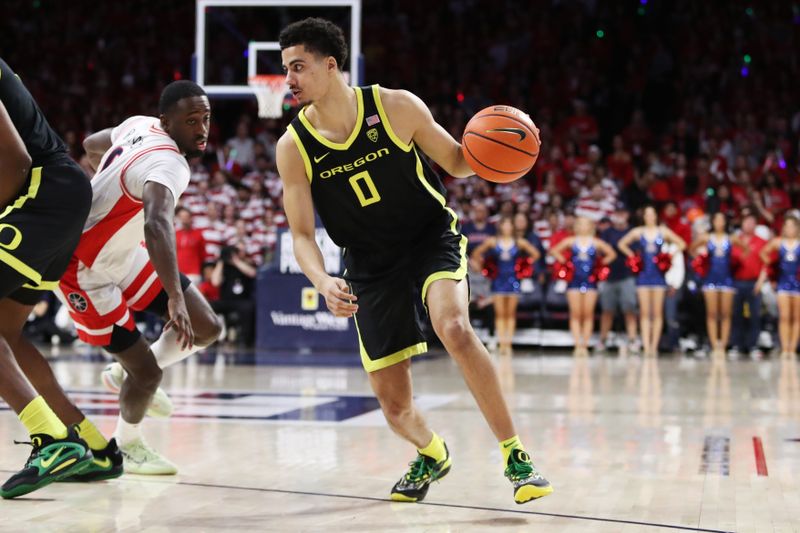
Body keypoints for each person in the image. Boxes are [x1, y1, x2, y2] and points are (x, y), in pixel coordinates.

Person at [275, 18, 552, 504]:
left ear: (331, 65)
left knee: (455, 327)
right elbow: (301, 234)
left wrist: (506, 146)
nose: (289, 79)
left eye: (298, 67)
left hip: (428, 238)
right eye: (286, 70)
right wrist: (321, 279)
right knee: (395, 407)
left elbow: (459, 162)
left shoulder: (396, 106)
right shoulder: (293, 147)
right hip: (368, 262)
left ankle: (516, 456)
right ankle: (431, 452)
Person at [55, 80, 222, 474]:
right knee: (147, 373)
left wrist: (110, 182)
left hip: (122, 253)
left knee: (207, 327)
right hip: (83, 267)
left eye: (206, 119)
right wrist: (174, 298)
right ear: (167, 122)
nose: (200, 129)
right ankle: (126, 444)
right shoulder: (169, 163)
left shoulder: (139, 124)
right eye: (190, 121)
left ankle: (118, 373)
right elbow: (157, 223)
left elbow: (93, 144)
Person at [0, 57, 97, 499]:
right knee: (9, 335)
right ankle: (89, 444)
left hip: (38, 192)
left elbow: (15, 161)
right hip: (55, 195)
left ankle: (51, 440)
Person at [618, 205, 687, 356]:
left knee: (657, 313)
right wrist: (632, 256)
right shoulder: (638, 231)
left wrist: (670, 255)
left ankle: (653, 347)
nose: (649, 217)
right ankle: (646, 345)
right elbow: (621, 244)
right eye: (647, 214)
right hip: (643, 276)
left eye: (652, 214)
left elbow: (682, 243)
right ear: (643, 217)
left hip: (658, 277)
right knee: (644, 313)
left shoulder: (663, 231)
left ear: (656, 216)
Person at [471, 216, 541, 354]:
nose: (507, 228)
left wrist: (524, 266)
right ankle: (501, 342)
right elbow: (476, 253)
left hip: (514, 280)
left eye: (510, 225)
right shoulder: (493, 241)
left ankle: (508, 343)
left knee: (510, 314)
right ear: (501, 227)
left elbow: (536, 254)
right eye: (505, 225)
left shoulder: (519, 241)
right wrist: (481, 266)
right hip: (498, 280)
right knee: (500, 314)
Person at [548, 217, 616, 355]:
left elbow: (612, 254)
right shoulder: (571, 241)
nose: (583, 227)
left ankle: (584, 344)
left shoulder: (595, 242)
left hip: (590, 281)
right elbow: (554, 250)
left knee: (588, 314)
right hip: (574, 280)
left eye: (586, 224)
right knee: (575, 314)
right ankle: (577, 344)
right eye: (580, 224)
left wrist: (601, 264)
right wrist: (564, 261)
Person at [689, 212, 749, 357]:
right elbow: (691, 249)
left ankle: (723, 344)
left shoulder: (731, 238)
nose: (719, 223)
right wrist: (700, 261)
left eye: (722, 220)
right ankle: (714, 343)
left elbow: (745, 249)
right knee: (712, 313)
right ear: (712, 222)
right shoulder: (706, 238)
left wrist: (736, 262)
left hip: (727, 279)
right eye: (716, 220)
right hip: (710, 278)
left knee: (726, 314)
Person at [756, 216, 800, 357]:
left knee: (796, 318)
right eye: (787, 226)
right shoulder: (778, 242)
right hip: (783, 283)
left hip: (798, 283)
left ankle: (792, 348)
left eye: (792, 226)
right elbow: (763, 253)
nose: (789, 229)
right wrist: (772, 265)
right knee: (784, 316)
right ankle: (785, 347)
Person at [598, 207, 639, 353]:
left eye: (622, 213)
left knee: (630, 310)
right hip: (609, 276)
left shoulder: (632, 232)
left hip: (627, 276)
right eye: (617, 214)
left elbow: (634, 252)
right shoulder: (607, 232)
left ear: (627, 215)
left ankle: (633, 340)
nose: (619, 216)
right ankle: (603, 340)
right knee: (607, 310)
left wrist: (618, 247)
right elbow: (602, 250)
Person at [731, 212, 766, 359]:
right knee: (736, 315)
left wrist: (760, 282)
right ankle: (736, 345)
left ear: (755, 224)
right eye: (746, 222)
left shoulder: (762, 242)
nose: (749, 225)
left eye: (752, 222)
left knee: (754, 316)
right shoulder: (735, 241)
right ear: (742, 224)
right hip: (737, 282)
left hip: (754, 282)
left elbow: (766, 264)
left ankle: (753, 346)